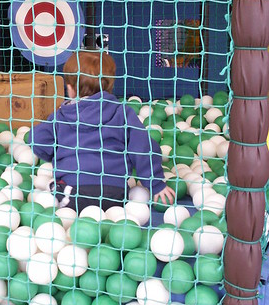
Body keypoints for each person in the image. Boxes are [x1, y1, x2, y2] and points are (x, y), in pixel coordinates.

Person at [27, 50, 175, 212]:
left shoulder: (62, 116)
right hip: (115, 195)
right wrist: (156, 184)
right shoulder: (121, 112)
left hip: (74, 194)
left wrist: (54, 153)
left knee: (51, 188)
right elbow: (143, 148)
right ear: (109, 86)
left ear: (70, 88)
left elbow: (36, 139)